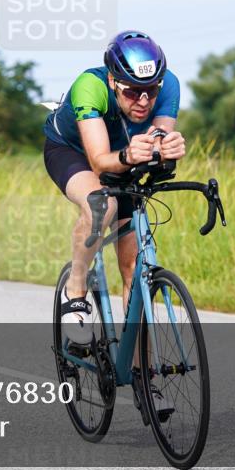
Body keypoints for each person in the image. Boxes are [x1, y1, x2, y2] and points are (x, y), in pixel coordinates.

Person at [43, 30, 186, 344]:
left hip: (125, 155)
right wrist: (129, 154)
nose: (144, 101)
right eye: (133, 92)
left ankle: (141, 375)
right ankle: (76, 289)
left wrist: (168, 150)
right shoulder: (89, 86)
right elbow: (99, 163)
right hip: (74, 152)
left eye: (150, 90)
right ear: (113, 82)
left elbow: (156, 145)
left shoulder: (169, 84)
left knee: (136, 267)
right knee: (101, 204)